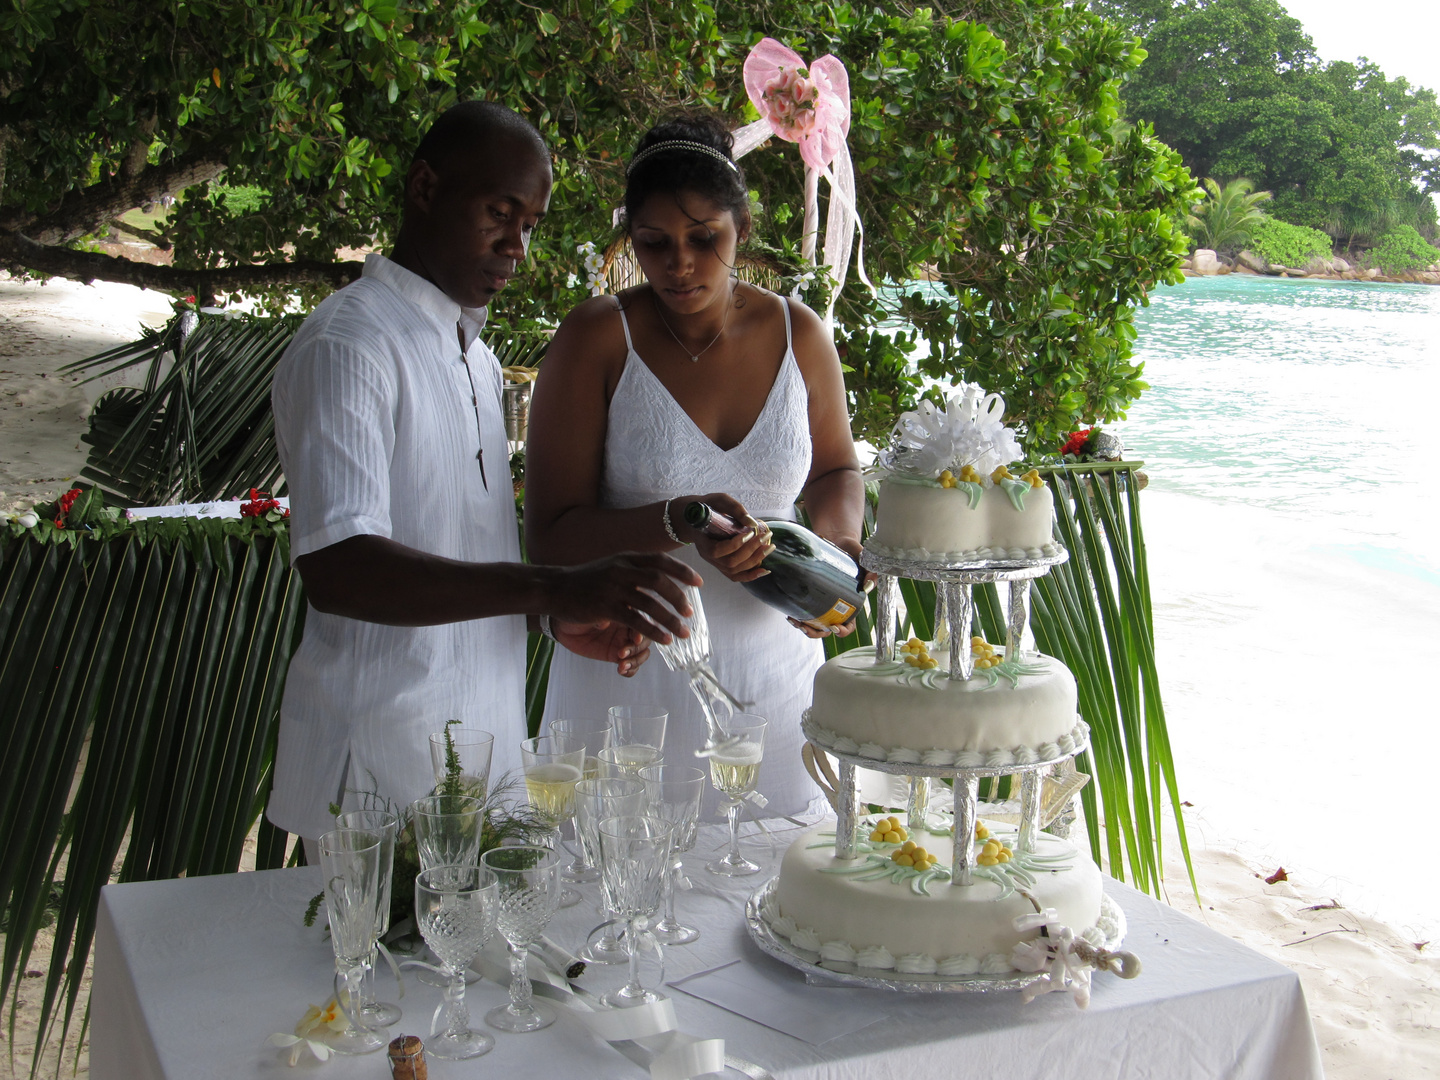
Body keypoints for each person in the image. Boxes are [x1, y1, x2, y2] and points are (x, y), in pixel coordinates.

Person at [267, 101, 700, 848]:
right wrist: (552, 585)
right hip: (378, 773)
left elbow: (459, 547)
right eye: (500, 212)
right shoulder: (351, 344)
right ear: (426, 188)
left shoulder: (478, 359)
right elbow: (339, 567)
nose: (517, 246)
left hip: (485, 758)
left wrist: (549, 618)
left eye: (530, 225)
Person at [524, 114, 865, 817]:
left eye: (704, 239)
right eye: (654, 243)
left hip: (775, 686)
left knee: (781, 902)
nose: (679, 264)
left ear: (740, 227)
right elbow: (551, 539)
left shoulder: (800, 334)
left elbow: (836, 470)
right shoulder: (595, 338)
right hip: (629, 692)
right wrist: (682, 522)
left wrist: (840, 556)